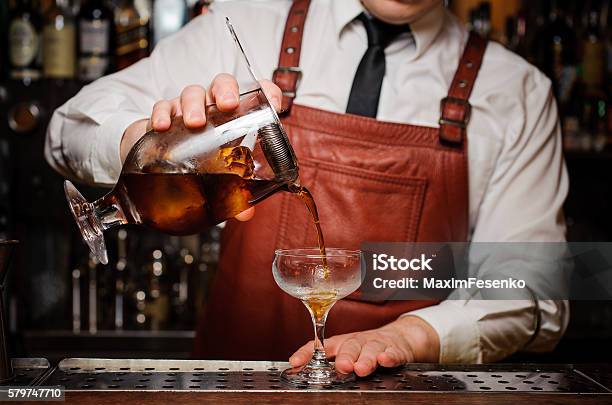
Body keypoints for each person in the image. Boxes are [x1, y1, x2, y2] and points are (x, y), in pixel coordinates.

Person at [46, 0, 569, 376]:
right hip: (230, 389)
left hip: (406, 392)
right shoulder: (246, 22)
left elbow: (534, 286)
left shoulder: (517, 91)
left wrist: (410, 337)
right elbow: (66, 127)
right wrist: (137, 142)